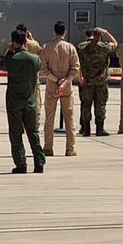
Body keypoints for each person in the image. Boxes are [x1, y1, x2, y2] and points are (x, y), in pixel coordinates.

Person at [0, 30, 45, 173]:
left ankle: (21, 164)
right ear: (25, 41)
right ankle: (39, 162)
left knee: (16, 134)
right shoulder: (35, 59)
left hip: (14, 102)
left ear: (14, 42)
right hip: (30, 101)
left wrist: (8, 52)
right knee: (33, 133)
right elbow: (39, 67)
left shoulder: (12, 59)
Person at [39, 21, 81, 157]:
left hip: (52, 85)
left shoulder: (46, 48)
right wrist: (65, 81)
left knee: (49, 118)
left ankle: (48, 148)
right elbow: (75, 68)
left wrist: (56, 80)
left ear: (54, 32)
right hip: (67, 87)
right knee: (69, 119)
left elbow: (43, 70)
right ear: (65, 32)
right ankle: (70, 148)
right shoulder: (70, 48)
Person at [76, 27, 117, 137]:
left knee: (86, 105)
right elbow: (115, 43)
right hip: (101, 82)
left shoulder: (82, 47)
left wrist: (80, 77)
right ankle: (100, 129)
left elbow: (78, 63)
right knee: (100, 105)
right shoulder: (104, 47)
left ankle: (86, 129)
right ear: (100, 37)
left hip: (87, 82)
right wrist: (106, 32)